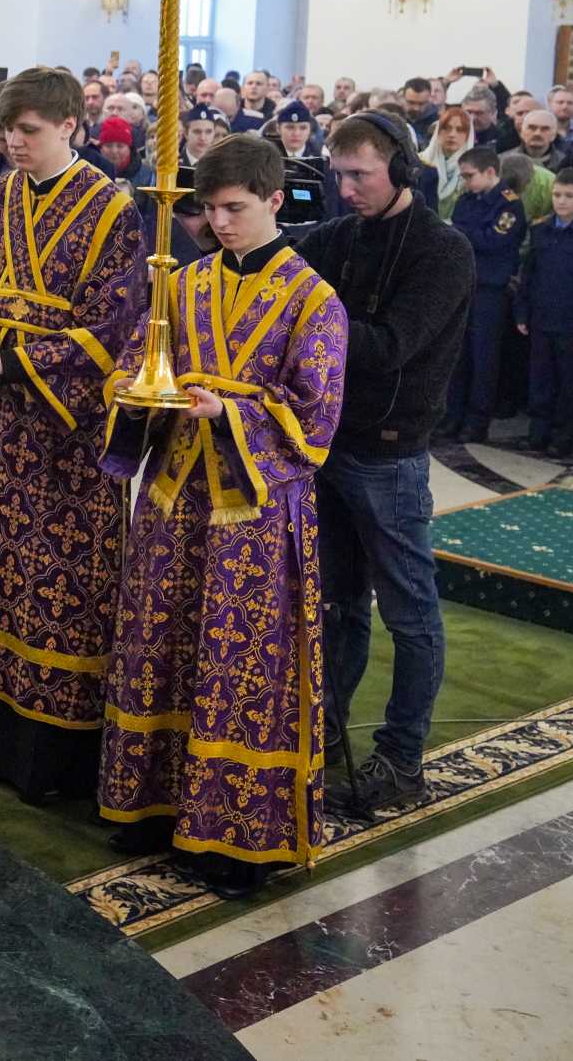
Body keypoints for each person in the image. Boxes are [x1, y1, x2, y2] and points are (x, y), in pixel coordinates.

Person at [98, 135, 348, 898]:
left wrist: (228, 412)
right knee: (163, 642)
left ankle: (236, 836)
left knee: (238, 664)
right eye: (208, 210)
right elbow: (141, 355)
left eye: (235, 209)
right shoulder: (185, 280)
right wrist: (128, 389)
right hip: (176, 499)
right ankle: (151, 805)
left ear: (275, 201)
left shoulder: (315, 301)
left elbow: (316, 421)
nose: (219, 224)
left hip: (254, 517)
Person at [0, 68, 147, 797]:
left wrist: (12, 358)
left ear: (69, 128)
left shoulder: (111, 209)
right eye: (4, 131)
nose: (13, 143)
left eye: (28, 130)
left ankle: (49, 761)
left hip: (65, 432)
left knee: (59, 583)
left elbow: (114, 325)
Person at [295, 110, 473, 814]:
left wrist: (304, 319)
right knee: (338, 603)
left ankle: (402, 762)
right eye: (338, 174)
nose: (345, 190)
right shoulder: (337, 236)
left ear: (401, 169)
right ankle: (323, 733)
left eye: (360, 175)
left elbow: (390, 345)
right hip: (326, 444)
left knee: (410, 614)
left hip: (390, 456)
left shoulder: (442, 249)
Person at [514, 167, 573, 459]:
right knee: (540, 379)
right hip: (541, 316)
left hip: (572, 320)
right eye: (556, 195)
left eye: (569, 196)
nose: (561, 201)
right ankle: (538, 433)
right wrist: (522, 312)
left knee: (569, 382)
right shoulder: (540, 228)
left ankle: (563, 436)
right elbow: (530, 275)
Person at [443, 148, 524, 443]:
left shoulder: (509, 205)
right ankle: (453, 415)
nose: (465, 182)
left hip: (490, 289)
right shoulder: (466, 200)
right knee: (458, 354)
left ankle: (477, 420)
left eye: (469, 176)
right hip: (463, 285)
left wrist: (461, 231)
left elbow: (494, 241)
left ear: (490, 172)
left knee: (484, 357)